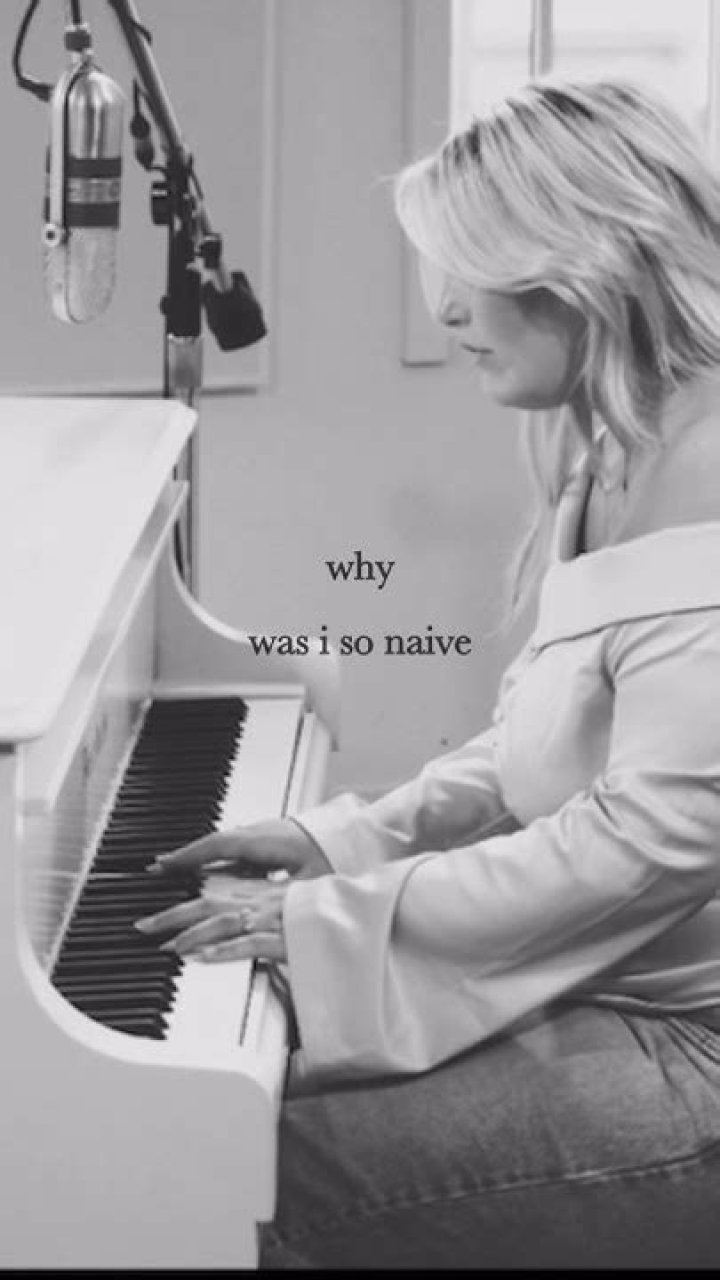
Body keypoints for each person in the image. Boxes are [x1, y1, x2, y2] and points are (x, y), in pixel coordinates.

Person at [135, 75, 720, 1268]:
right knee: (208, 1102)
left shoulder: (708, 481)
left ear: (583, 259)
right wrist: (342, 840)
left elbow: (643, 841)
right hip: (600, 982)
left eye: (469, 268)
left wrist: (326, 917)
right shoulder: (608, 448)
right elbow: (539, 750)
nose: (444, 308)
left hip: (689, 1048)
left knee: (224, 1174)